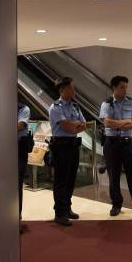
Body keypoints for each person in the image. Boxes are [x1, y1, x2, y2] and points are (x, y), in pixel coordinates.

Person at [99, 76, 132, 216]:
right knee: (113, 176)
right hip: (112, 143)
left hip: (128, 143)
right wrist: (126, 122)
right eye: (122, 87)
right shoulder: (106, 104)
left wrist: (118, 123)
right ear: (114, 88)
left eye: (126, 87)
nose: (125, 90)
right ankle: (116, 204)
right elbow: (107, 123)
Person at [49, 77, 86, 226]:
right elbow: (68, 128)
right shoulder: (55, 107)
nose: (74, 91)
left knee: (71, 179)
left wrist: (75, 124)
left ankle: (67, 208)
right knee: (61, 180)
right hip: (61, 147)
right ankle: (59, 212)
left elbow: (84, 125)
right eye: (71, 88)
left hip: (73, 146)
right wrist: (75, 125)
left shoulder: (75, 106)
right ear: (62, 90)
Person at [17, 102, 32, 233]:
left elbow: (20, 126)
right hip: (4, 148)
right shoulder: (2, 107)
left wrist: (1, 125)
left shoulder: (24, 109)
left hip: (19, 150)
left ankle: (16, 218)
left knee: (16, 185)